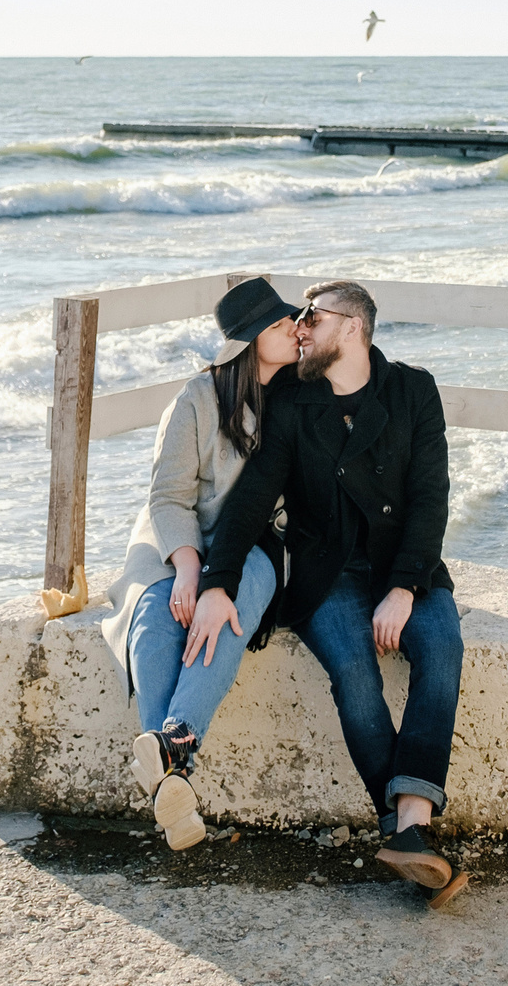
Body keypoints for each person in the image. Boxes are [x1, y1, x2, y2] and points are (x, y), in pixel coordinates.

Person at [192, 279, 468, 906]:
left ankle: (407, 833)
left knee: (442, 651)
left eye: (314, 316)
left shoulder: (412, 390)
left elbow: (431, 497)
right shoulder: (293, 401)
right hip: (329, 572)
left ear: (352, 327)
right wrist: (217, 584)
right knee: (354, 673)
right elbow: (251, 500)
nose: (301, 327)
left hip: (406, 565)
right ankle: (412, 837)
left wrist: (402, 587)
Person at [102, 276, 299, 851]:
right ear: (249, 339)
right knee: (156, 617)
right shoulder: (196, 399)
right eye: (280, 323)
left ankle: (167, 758)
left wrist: (216, 580)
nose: (293, 328)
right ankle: (175, 774)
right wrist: (187, 568)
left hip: (261, 544)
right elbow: (167, 498)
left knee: (227, 615)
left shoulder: (293, 395)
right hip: (177, 538)